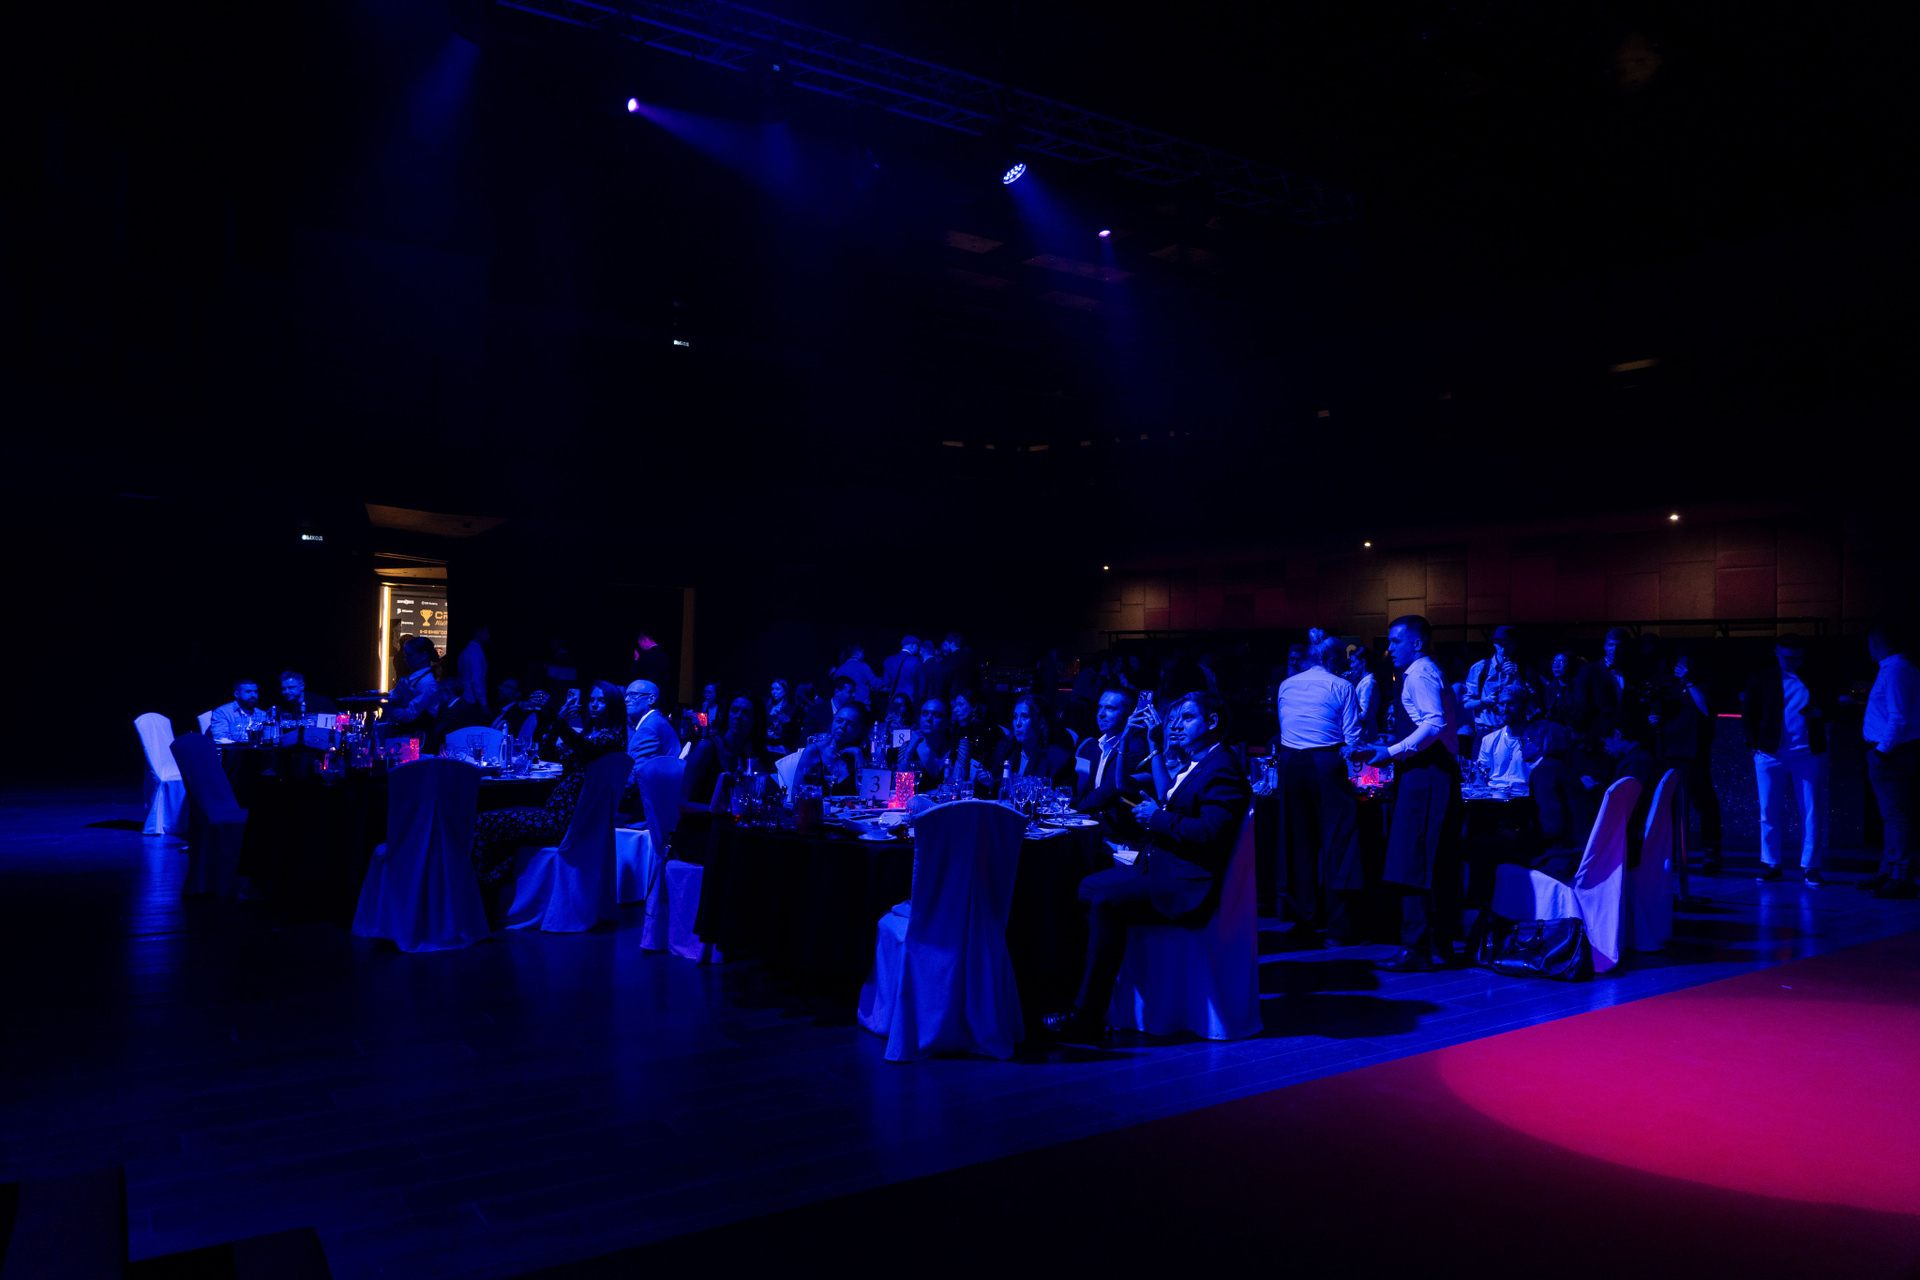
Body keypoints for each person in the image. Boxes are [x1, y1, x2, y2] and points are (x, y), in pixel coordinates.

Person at [1042, 691, 1252, 1048]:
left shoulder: (1223, 767)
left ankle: (1087, 1015)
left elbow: (1210, 832)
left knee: (1105, 901)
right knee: (1085, 888)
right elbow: (1152, 792)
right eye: (1175, 719)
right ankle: (1088, 982)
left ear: (1213, 722)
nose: (1177, 726)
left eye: (1187, 718)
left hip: (1185, 882)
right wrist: (1153, 755)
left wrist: (1157, 818)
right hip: (1160, 865)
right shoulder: (1200, 762)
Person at [1351, 615, 1464, 972]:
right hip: (1430, 772)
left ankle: (1416, 948)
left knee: (1413, 857)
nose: (1389, 649)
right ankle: (1438, 944)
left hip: (1427, 774)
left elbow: (1434, 722)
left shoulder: (1419, 673)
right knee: (1433, 858)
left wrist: (1391, 751)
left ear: (1417, 643)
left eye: (1395, 641)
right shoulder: (1425, 671)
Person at [469, 685, 628, 888]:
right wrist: (557, 720)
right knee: (489, 822)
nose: (594, 705)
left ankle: (484, 887)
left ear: (614, 706)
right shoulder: (591, 736)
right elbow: (547, 754)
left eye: (602, 700)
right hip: (556, 814)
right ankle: (498, 882)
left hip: (565, 821)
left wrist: (555, 718)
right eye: (592, 700)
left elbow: (584, 748)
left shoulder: (611, 739)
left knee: (483, 823)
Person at [1277, 635, 1366, 946]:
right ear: (1332, 660)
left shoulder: (1286, 685)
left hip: (1290, 763)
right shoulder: (1342, 686)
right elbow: (1352, 737)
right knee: (1338, 843)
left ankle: (1304, 922)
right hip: (1326, 761)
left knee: (1298, 844)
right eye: (1342, 661)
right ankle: (1339, 929)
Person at [1742, 634, 1829, 885]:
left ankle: (1810, 866)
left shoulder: (1816, 677)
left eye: (1799, 657)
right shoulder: (1762, 679)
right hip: (1770, 753)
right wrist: (1754, 744)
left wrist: (1821, 713)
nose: (1794, 662)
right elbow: (1749, 713)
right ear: (1777, 654)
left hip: (1807, 752)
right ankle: (1772, 863)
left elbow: (1832, 706)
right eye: (1789, 658)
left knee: (1811, 810)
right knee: (1768, 809)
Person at [1860, 623, 1920, 898]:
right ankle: (1889, 870)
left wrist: (1881, 752)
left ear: (1875, 642)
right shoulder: (1901, 668)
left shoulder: (1895, 670)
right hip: (1895, 751)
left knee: (1897, 815)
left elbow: (1898, 717)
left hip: (1892, 752)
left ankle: (1901, 875)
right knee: (1891, 815)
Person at [1648, 646, 1722, 872]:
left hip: (1694, 753)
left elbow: (1707, 709)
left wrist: (1690, 682)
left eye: (1688, 662)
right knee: (1669, 806)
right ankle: (1671, 853)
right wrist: (1653, 718)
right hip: (1668, 752)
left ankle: (1711, 851)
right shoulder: (1666, 684)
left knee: (1703, 803)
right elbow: (1657, 709)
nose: (1682, 666)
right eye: (1680, 662)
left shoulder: (1705, 685)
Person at [1594, 712, 1663, 868]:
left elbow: (1623, 810)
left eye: (1605, 741)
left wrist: (1594, 791)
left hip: (1628, 843)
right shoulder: (1642, 759)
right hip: (1636, 839)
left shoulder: (1636, 764)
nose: (1605, 748)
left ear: (1617, 735)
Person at [1074, 687, 1148, 807]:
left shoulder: (1134, 747)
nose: (1101, 714)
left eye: (1109, 708)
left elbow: (1106, 794)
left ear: (1131, 713)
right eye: (1100, 707)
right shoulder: (1101, 743)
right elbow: (1092, 791)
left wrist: (1075, 811)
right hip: (1094, 814)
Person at [686, 694, 759, 805]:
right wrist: (721, 811)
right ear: (727, 714)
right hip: (704, 816)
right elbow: (683, 805)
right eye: (734, 710)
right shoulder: (706, 747)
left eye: (746, 713)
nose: (738, 716)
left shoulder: (750, 755)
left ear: (755, 720)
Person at [788, 701, 870, 798]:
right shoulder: (814, 751)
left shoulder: (864, 755)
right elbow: (796, 794)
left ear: (860, 731)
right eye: (839, 721)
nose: (842, 726)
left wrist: (858, 755)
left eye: (850, 725)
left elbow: (867, 795)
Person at [1460, 626, 1524, 742]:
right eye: (1500, 644)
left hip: (1513, 731)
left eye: (1508, 644)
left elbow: (1532, 704)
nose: (1504, 649)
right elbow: (1467, 704)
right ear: (1494, 644)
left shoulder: (1522, 670)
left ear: (1514, 645)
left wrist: (1518, 677)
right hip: (1486, 731)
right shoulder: (1481, 667)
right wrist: (1485, 701)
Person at [1004, 696, 1073, 786]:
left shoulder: (1059, 760)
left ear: (1041, 722)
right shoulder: (1007, 749)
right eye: (1015, 717)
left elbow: (1066, 793)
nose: (1018, 723)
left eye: (1025, 717)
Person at [1575, 628, 1636, 730]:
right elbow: (1582, 703)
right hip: (1598, 729)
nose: (1614, 649)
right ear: (1605, 646)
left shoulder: (1632, 672)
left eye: (1619, 646)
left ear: (1625, 648)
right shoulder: (1589, 670)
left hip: (1625, 730)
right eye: (1611, 645)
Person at [624, 679, 680, 774]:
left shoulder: (648, 729)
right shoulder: (655, 721)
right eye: (626, 695)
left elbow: (637, 774)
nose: (627, 700)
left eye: (633, 694)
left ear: (651, 699)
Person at [384, 637, 439, 732]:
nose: (405, 659)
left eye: (409, 655)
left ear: (424, 655)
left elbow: (409, 715)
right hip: (410, 732)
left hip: (419, 735)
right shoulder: (413, 677)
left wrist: (388, 707)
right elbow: (391, 696)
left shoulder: (427, 682)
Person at [1346, 646, 1379, 739]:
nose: (1351, 666)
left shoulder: (1369, 683)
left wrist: (1347, 712)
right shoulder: (1364, 682)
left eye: (1353, 662)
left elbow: (1364, 715)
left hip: (1365, 734)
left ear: (1363, 662)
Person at [765, 679, 803, 753]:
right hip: (767, 743)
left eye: (777, 689)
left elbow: (795, 731)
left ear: (785, 692)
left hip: (783, 745)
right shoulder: (767, 707)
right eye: (772, 689)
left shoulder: (791, 709)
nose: (774, 692)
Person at [457, 625, 490, 710]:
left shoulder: (465, 651)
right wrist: (483, 704)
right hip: (473, 701)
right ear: (478, 633)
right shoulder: (476, 652)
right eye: (486, 633)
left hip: (466, 697)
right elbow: (476, 679)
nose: (489, 636)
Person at [883, 637, 923, 704]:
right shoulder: (916, 661)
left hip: (894, 699)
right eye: (917, 646)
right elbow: (919, 682)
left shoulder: (888, 660)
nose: (918, 649)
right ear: (912, 646)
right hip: (910, 700)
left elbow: (886, 683)